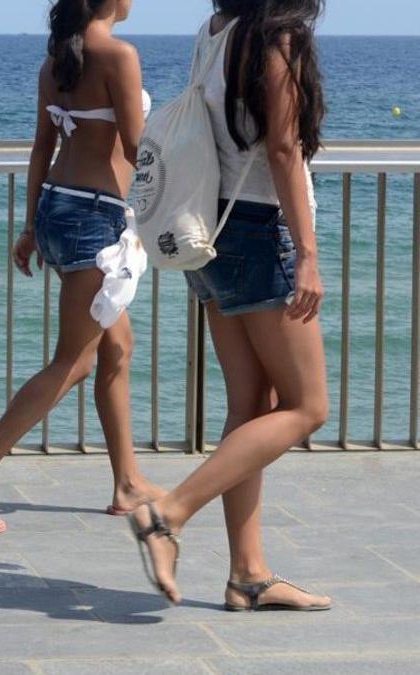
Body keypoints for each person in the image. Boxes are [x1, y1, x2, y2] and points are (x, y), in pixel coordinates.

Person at [0, 0, 163, 534]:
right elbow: (136, 149)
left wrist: (32, 226)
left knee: (117, 347)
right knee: (74, 360)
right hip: (94, 220)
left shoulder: (56, 59)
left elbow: (41, 147)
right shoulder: (119, 56)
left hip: (57, 207)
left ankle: (126, 482)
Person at [129, 0, 332, 611]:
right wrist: (308, 255)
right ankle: (169, 513)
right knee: (308, 406)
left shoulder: (215, 31)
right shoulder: (276, 37)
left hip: (211, 231)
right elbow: (282, 150)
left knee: (250, 405)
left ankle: (248, 573)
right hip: (258, 231)